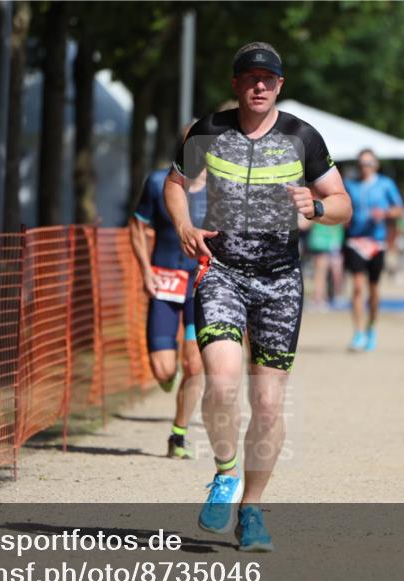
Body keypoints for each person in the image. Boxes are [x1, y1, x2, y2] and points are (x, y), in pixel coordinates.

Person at [164, 41, 350, 551]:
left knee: (267, 405)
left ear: (280, 85)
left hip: (280, 281)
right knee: (220, 383)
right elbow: (174, 183)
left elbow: (342, 204)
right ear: (236, 83)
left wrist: (313, 206)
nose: (259, 85)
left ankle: (252, 509)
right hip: (222, 272)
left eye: (268, 78)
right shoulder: (209, 131)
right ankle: (225, 473)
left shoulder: (301, 137)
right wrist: (183, 223)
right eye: (250, 77)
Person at [128, 156, 208, 460]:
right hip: (163, 281)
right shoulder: (157, 182)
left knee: (195, 365)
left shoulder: (221, 187)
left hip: (200, 285)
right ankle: (167, 374)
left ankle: (178, 434)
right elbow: (137, 226)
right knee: (163, 369)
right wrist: (145, 270)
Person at [343, 149, 403, 351]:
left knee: (374, 290)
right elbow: (342, 207)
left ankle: (371, 328)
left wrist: (385, 213)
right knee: (358, 287)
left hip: (377, 242)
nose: (364, 167)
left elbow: (399, 208)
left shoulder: (386, 184)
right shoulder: (350, 185)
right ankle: (358, 332)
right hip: (356, 241)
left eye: (368, 163)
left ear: (376, 165)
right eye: (361, 164)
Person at [305, 214, 344, 309]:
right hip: (324, 244)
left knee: (330, 273)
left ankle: (323, 298)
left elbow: (304, 225)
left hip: (329, 244)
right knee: (323, 273)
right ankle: (320, 298)